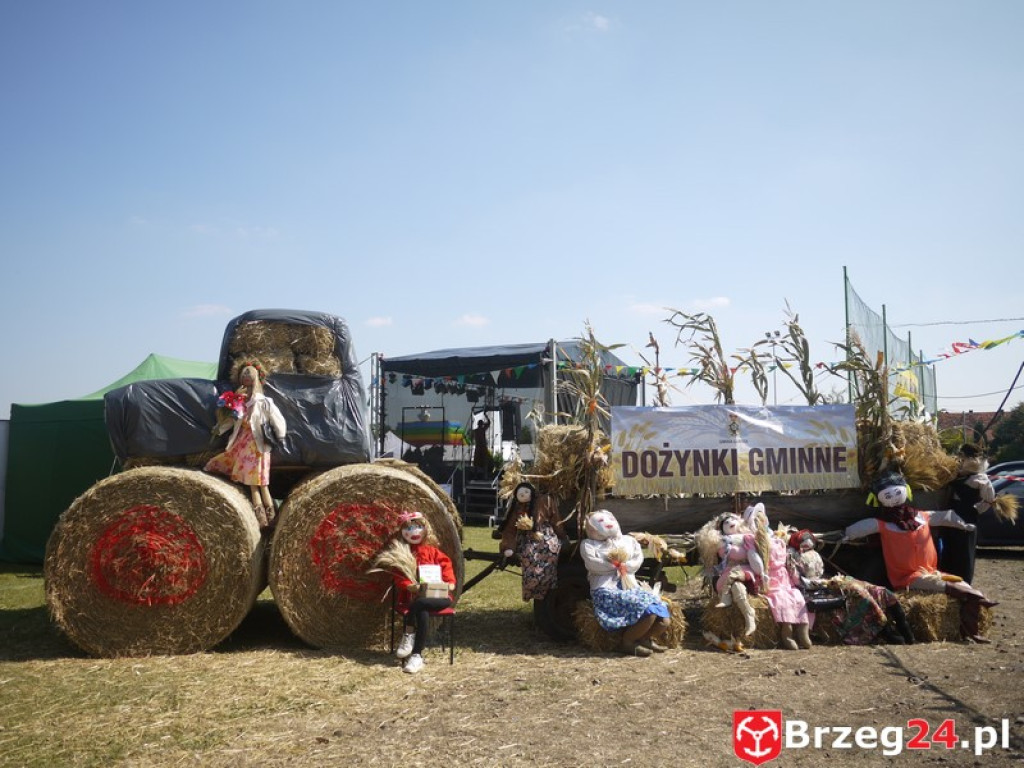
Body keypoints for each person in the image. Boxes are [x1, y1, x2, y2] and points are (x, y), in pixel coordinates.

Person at [843, 471, 997, 643]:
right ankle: (976, 601)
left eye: (897, 492)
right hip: (908, 577)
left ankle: (972, 630)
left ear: (906, 491)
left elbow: (947, 517)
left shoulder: (921, 516)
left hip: (932, 571)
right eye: (888, 495)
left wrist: (966, 523)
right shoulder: (883, 524)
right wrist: (845, 535)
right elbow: (859, 528)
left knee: (962, 584)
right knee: (958, 590)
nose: (893, 498)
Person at [204, 363, 286, 528]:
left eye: (249, 376)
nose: (246, 379)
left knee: (261, 484)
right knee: (256, 483)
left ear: (256, 379)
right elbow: (230, 420)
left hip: (258, 446)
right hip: (243, 444)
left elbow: (278, 420)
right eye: (244, 376)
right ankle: (264, 518)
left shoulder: (264, 402)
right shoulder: (239, 401)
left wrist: (281, 434)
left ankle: (268, 517)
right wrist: (219, 428)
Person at [580, 509, 671, 657]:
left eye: (608, 519)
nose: (607, 523)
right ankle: (627, 642)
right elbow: (593, 564)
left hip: (630, 586)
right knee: (648, 610)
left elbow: (637, 559)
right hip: (606, 589)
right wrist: (616, 565)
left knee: (664, 618)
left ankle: (644, 638)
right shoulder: (589, 544)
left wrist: (625, 566)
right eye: (601, 521)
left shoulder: (629, 541)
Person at [388, 511, 456, 674]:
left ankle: (409, 634)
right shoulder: (403, 555)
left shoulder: (435, 553)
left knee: (419, 604)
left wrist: (447, 585)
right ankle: (417, 656)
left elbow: (449, 577)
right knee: (422, 609)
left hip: (441, 597)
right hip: (416, 599)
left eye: (418, 527)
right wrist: (410, 586)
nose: (413, 532)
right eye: (408, 528)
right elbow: (399, 577)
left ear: (426, 530)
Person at [497, 481, 566, 601]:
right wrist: (508, 546)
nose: (523, 495)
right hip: (526, 537)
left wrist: (562, 536)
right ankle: (533, 589)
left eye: (525, 492)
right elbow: (509, 530)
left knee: (551, 549)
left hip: (545, 535)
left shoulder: (545, 501)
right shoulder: (517, 507)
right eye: (520, 493)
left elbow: (555, 520)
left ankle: (547, 586)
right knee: (529, 554)